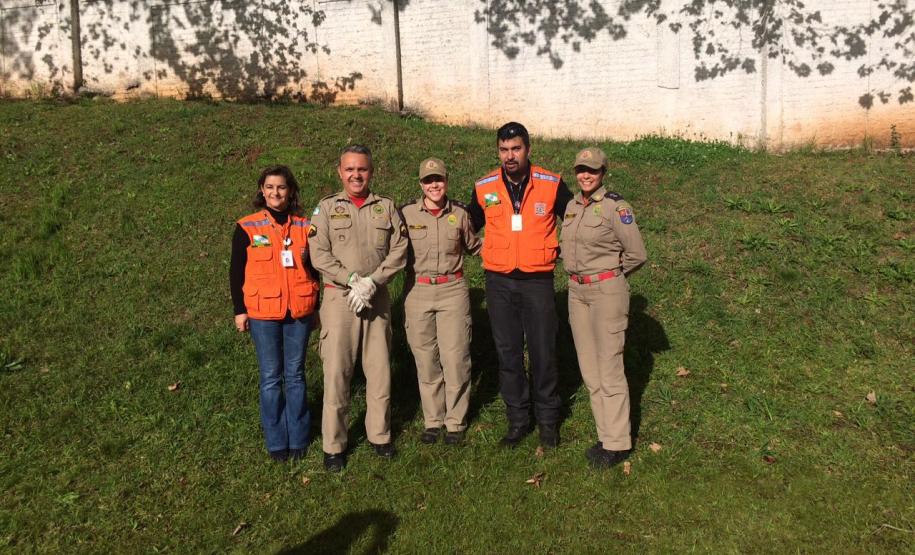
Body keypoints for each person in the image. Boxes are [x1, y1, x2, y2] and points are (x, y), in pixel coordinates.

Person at [468, 122, 573, 448]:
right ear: (497, 151)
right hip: (498, 281)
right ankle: (517, 421)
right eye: (503, 150)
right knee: (508, 353)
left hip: (537, 281)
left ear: (528, 149)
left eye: (516, 149)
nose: (510, 156)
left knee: (543, 352)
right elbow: (466, 224)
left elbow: (576, 219)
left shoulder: (551, 184)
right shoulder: (484, 186)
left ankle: (548, 421)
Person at [308, 145, 408, 472]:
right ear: (340, 172)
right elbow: (318, 254)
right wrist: (350, 278)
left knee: (379, 371)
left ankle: (379, 436)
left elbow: (399, 250)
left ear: (371, 172)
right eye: (349, 169)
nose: (356, 175)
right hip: (340, 300)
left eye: (362, 169)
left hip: (376, 297)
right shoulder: (325, 209)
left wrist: (373, 282)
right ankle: (334, 444)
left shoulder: (387, 208)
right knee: (337, 373)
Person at [560, 147, 647, 468]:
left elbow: (637, 253)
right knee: (590, 369)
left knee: (609, 367)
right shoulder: (571, 206)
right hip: (576, 293)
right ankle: (605, 435)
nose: (585, 175)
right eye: (581, 169)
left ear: (603, 173)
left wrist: (609, 277)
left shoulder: (616, 207)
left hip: (607, 292)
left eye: (592, 170)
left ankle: (618, 442)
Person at [229, 165, 320, 462]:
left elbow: (316, 270)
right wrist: (240, 311)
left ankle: (299, 438)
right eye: (269, 187)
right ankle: (276, 441)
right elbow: (236, 272)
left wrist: (317, 307)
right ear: (261, 191)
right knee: (270, 377)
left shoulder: (306, 227)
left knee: (295, 375)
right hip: (262, 312)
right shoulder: (247, 227)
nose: (275, 192)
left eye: (281, 187)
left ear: (290, 191)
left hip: (299, 311)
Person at [400, 158, 482, 445]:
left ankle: (455, 421)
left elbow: (475, 246)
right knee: (426, 359)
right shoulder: (406, 213)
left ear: (446, 180)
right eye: (427, 180)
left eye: (438, 179)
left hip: (452, 290)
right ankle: (433, 419)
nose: (433, 185)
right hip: (418, 290)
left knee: (456, 357)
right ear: (420, 184)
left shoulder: (459, 213)